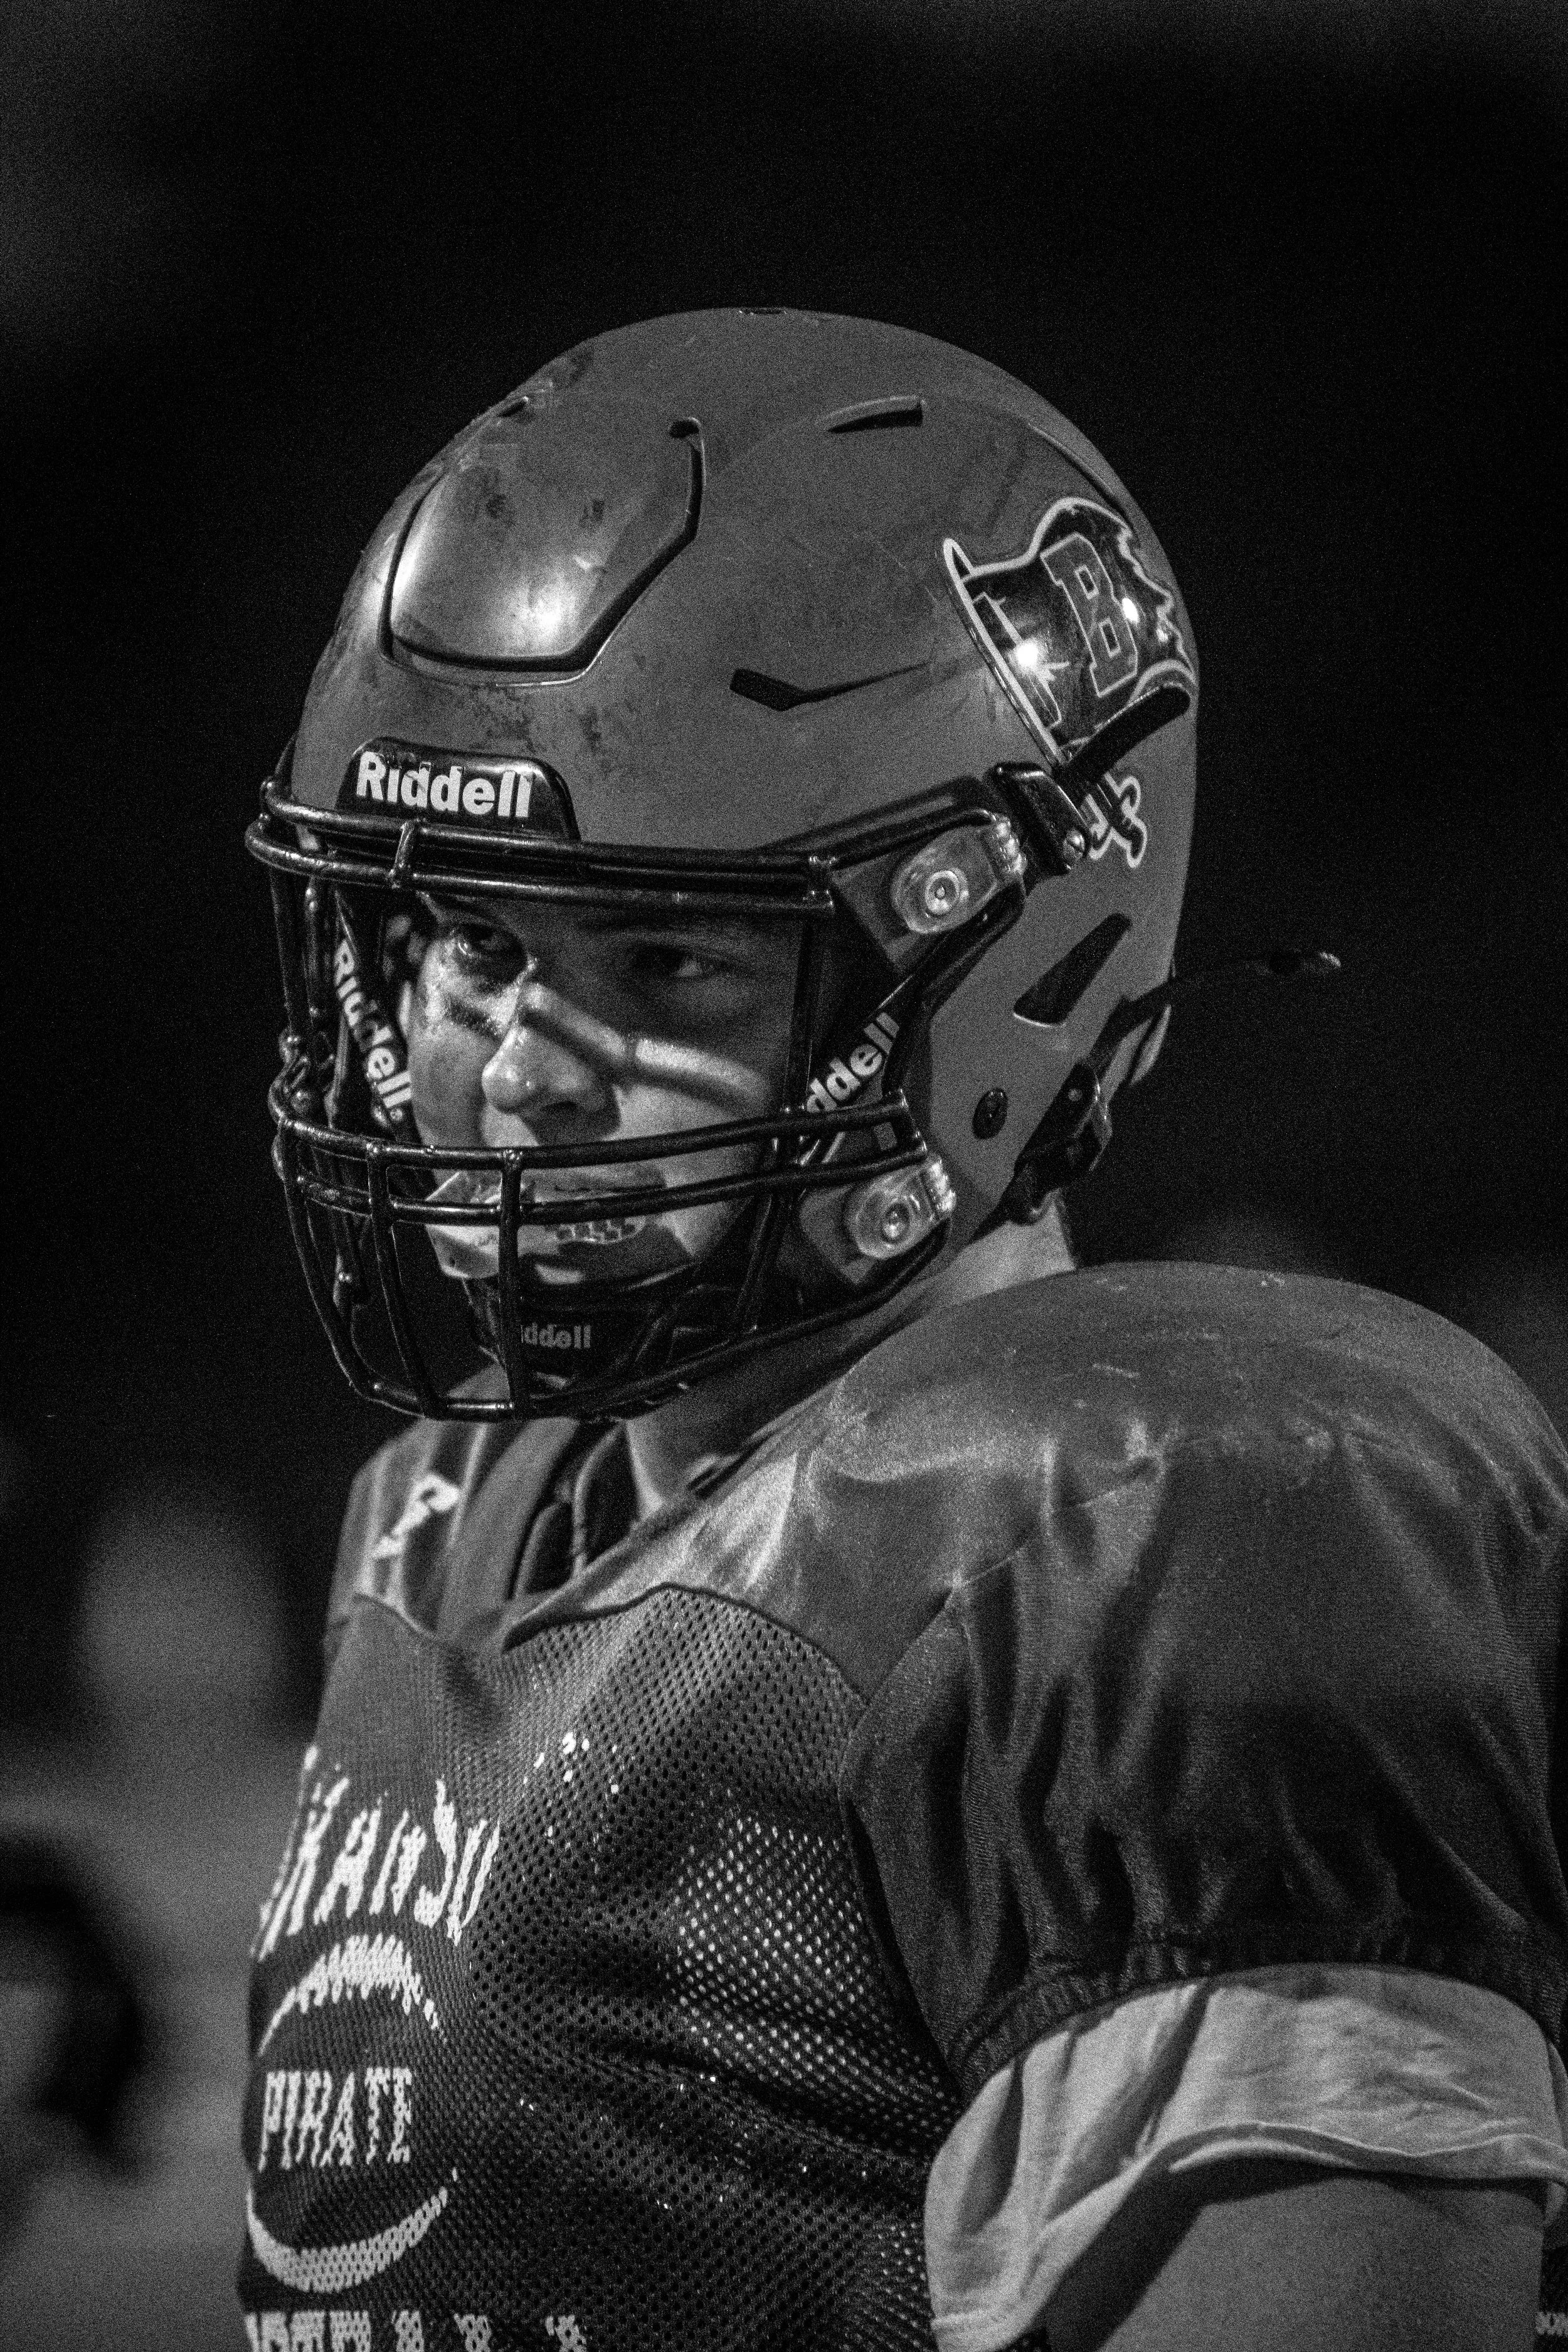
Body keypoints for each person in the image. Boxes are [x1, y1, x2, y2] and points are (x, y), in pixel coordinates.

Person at [240, 309, 1568, 2351]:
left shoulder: (1143, 1514)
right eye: (472, 942)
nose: (515, 1075)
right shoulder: (449, 1514)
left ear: (992, 971)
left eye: (663, 958)